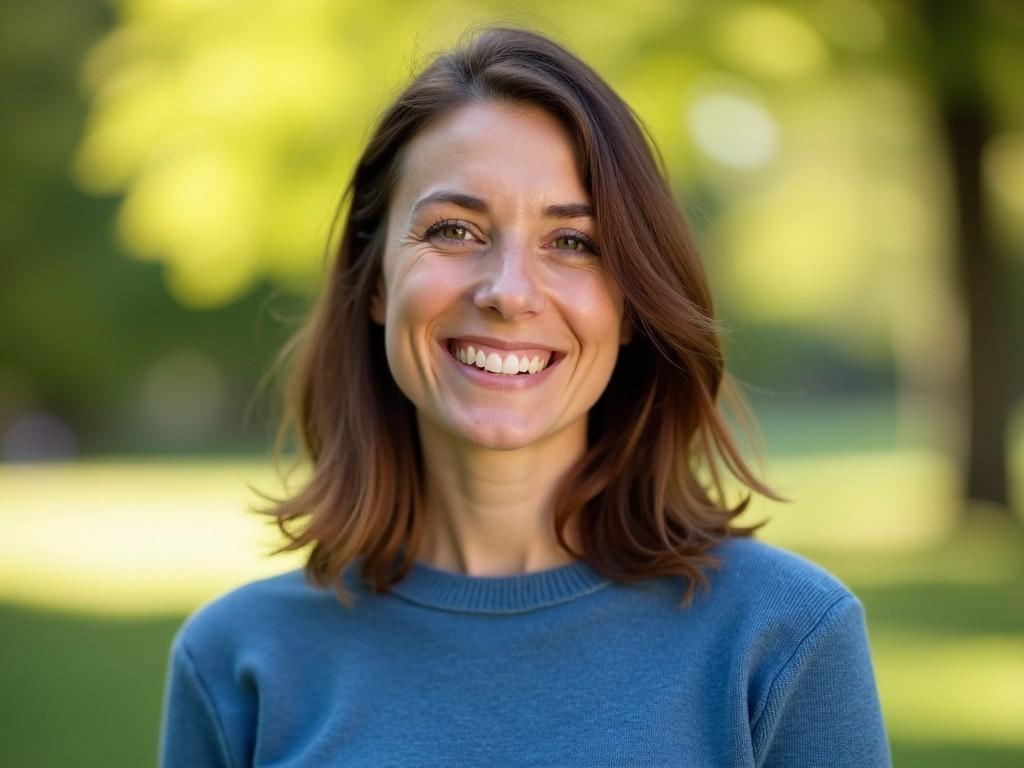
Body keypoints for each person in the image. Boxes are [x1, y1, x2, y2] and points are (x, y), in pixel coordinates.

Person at [158, 24, 892, 767]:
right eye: (453, 229)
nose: (509, 292)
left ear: (632, 304)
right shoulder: (235, 663)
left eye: (573, 242)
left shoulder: (784, 638)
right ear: (375, 279)